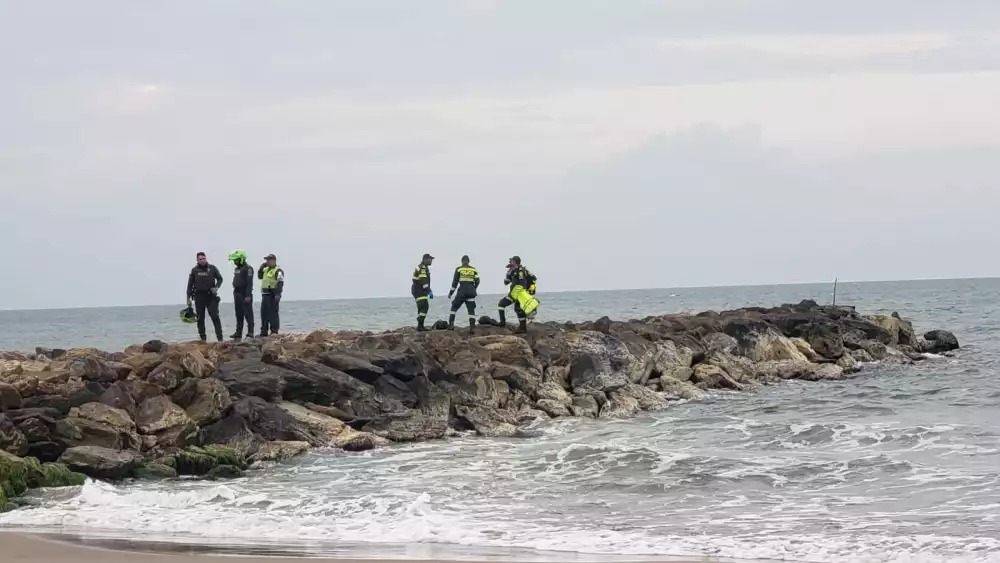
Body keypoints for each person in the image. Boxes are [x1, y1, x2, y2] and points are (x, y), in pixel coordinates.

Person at [186, 252, 224, 342]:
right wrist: (188, 298)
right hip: (199, 297)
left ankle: (220, 338)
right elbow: (190, 285)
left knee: (215, 316)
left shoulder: (212, 268)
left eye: (204, 259)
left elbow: (220, 279)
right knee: (200, 318)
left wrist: (216, 287)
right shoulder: (194, 270)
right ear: (197, 260)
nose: (202, 261)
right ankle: (203, 339)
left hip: (211, 296)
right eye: (200, 259)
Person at [497, 255, 537, 333]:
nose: (510, 262)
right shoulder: (524, 270)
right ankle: (523, 328)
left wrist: (509, 272)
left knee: (501, 304)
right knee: (518, 309)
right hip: (522, 293)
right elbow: (533, 278)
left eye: (511, 261)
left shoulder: (516, 271)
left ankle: (502, 322)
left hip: (516, 294)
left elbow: (507, 282)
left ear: (514, 262)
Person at [447, 255, 480, 333]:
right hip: (471, 292)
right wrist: (473, 288)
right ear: (469, 261)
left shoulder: (459, 269)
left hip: (462, 292)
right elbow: (477, 281)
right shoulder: (473, 269)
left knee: (454, 307)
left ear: (461, 261)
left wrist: (450, 293)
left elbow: (455, 283)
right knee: (471, 310)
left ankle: (451, 325)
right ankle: (472, 327)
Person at [227, 250, 255, 340]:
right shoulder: (237, 269)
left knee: (248, 314)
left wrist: (248, 295)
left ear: (242, 259)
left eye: (236, 260)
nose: (235, 262)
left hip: (245, 293)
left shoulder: (248, 269)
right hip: (237, 293)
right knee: (238, 314)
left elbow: (249, 283)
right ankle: (238, 332)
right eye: (234, 260)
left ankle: (250, 332)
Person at [257, 253, 285, 337]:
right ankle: (264, 331)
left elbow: (280, 282)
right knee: (264, 314)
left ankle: (274, 331)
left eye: (269, 260)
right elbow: (259, 276)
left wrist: (278, 294)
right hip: (265, 294)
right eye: (267, 260)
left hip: (273, 294)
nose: (267, 262)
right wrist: (261, 268)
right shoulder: (266, 269)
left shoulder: (278, 270)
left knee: (273, 313)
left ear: (273, 261)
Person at [411, 253, 434, 331]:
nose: (431, 261)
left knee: (421, 307)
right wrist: (428, 291)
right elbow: (423, 280)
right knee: (424, 306)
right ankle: (420, 326)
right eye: (430, 259)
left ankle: (420, 325)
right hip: (419, 289)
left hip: (418, 289)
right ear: (425, 260)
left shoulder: (423, 267)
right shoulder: (423, 268)